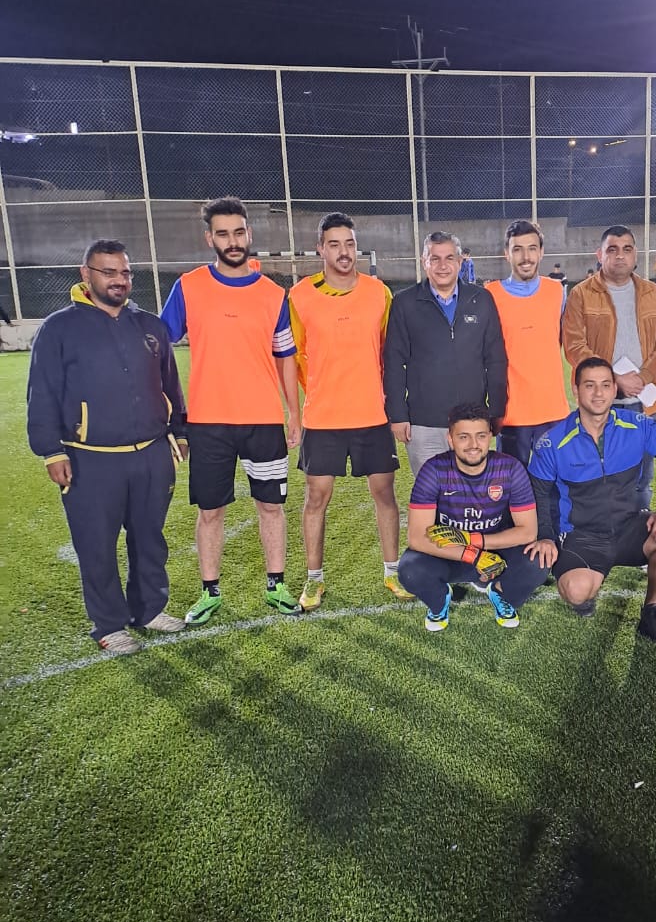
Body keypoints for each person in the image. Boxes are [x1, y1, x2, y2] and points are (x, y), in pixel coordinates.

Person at [26, 240, 187, 654]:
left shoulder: (149, 326)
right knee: (96, 545)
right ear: (86, 274)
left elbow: (171, 384)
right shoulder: (59, 329)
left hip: (151, 454)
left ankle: (149, 609)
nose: (119, 280)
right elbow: (42, 392)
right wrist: (51, 450)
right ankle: (109, 624)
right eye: (109, 272)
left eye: (125, 272)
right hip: (90, 460)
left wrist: (180, 431)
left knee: (149, 539)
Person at [161, 196, 302, 623]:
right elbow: (158, 345)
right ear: (210, 238)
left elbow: (286, 356)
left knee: (271, 506)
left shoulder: (273, 294)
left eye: (239, 232)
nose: (233, 241)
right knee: (210, 511)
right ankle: (209, 591)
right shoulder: (188, 287)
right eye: (223, 234)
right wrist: (167, 408)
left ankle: (276, 585)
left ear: (249, 234)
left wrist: (293, 413)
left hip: (263, 420)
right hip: (208, 422)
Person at [527, 357, 656, 642]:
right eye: (590, 385)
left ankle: (652, 609)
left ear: (614, 389)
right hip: (581, 536)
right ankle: (588, 585)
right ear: (576, 389)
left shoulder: (637, 426)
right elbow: (539, 493)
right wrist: (545, 536)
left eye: (606, 385)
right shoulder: (552, 442)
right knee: (576, 591)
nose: (598, 393)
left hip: (629, 527)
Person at [289, 212, 411, 609]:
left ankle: (393, 572)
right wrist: (316, 392)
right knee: (316, 497)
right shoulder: (300, 295)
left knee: (384, 493)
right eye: (335, 244)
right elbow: (296, 355)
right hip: (323, 417)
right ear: (320, 249)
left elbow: (390, 353)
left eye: (350, 244)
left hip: (372, 415)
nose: (344, 252)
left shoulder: (379, 293)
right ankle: (314, 580)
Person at [398, 402, 549, 630]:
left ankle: (500, 592)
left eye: (480, 436)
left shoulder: (510, 468)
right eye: (463, 437)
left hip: (496, 553)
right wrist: (473, 555)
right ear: (450, 439)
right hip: (450, 553)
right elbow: (417, 538)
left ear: (490, 436)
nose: (473, 445)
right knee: (410, 570)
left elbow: (528, 532)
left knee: (538, 562)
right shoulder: (434, 470)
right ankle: (439, 600)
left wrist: (474, 541)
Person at [562, 226, 656, 509]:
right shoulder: (581, 295)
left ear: (635, 254)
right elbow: (575, 346)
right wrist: (613, 379)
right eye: (612, 250)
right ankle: (597, 531)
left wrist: (643, 377)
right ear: (599, 254)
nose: (620, 256)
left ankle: (636, 528)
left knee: (641, 478)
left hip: (643, 402)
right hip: (598, 402)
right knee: (595, 477)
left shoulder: (653, 294)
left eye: (627, 249)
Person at [384, 230, 507, 478]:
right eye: (435, 258)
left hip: (472, 423)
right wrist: (397, 414)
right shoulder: (405, 303)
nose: (442, 265)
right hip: (424, 424)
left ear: (460, 262)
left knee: (470, 494)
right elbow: (394, 362)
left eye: (449, 258)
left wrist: (496, 409)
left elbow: (495, 358)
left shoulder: (481, 299)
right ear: (424, 262)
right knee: (431, 495)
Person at [486, 219, 569, 465]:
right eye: (517, 249)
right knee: (513, 485)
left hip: (553, 411)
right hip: (512, 414)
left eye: (532, 248)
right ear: (506, 254)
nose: (525, 257)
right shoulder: (491, 295)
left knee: (555, 484)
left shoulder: (557, 292)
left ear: (541, 252)